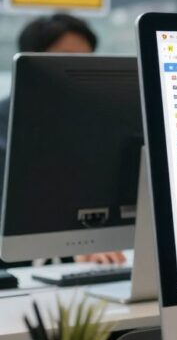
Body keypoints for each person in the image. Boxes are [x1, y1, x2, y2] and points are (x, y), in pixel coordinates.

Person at [0, 13, 125, 267]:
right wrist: (73, 252)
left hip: (81, 269)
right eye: (66, 57)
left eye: (86, 61)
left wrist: (91, 245)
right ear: (30, 61)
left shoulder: (92, 128)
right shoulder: (4, 127)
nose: (77, 69)